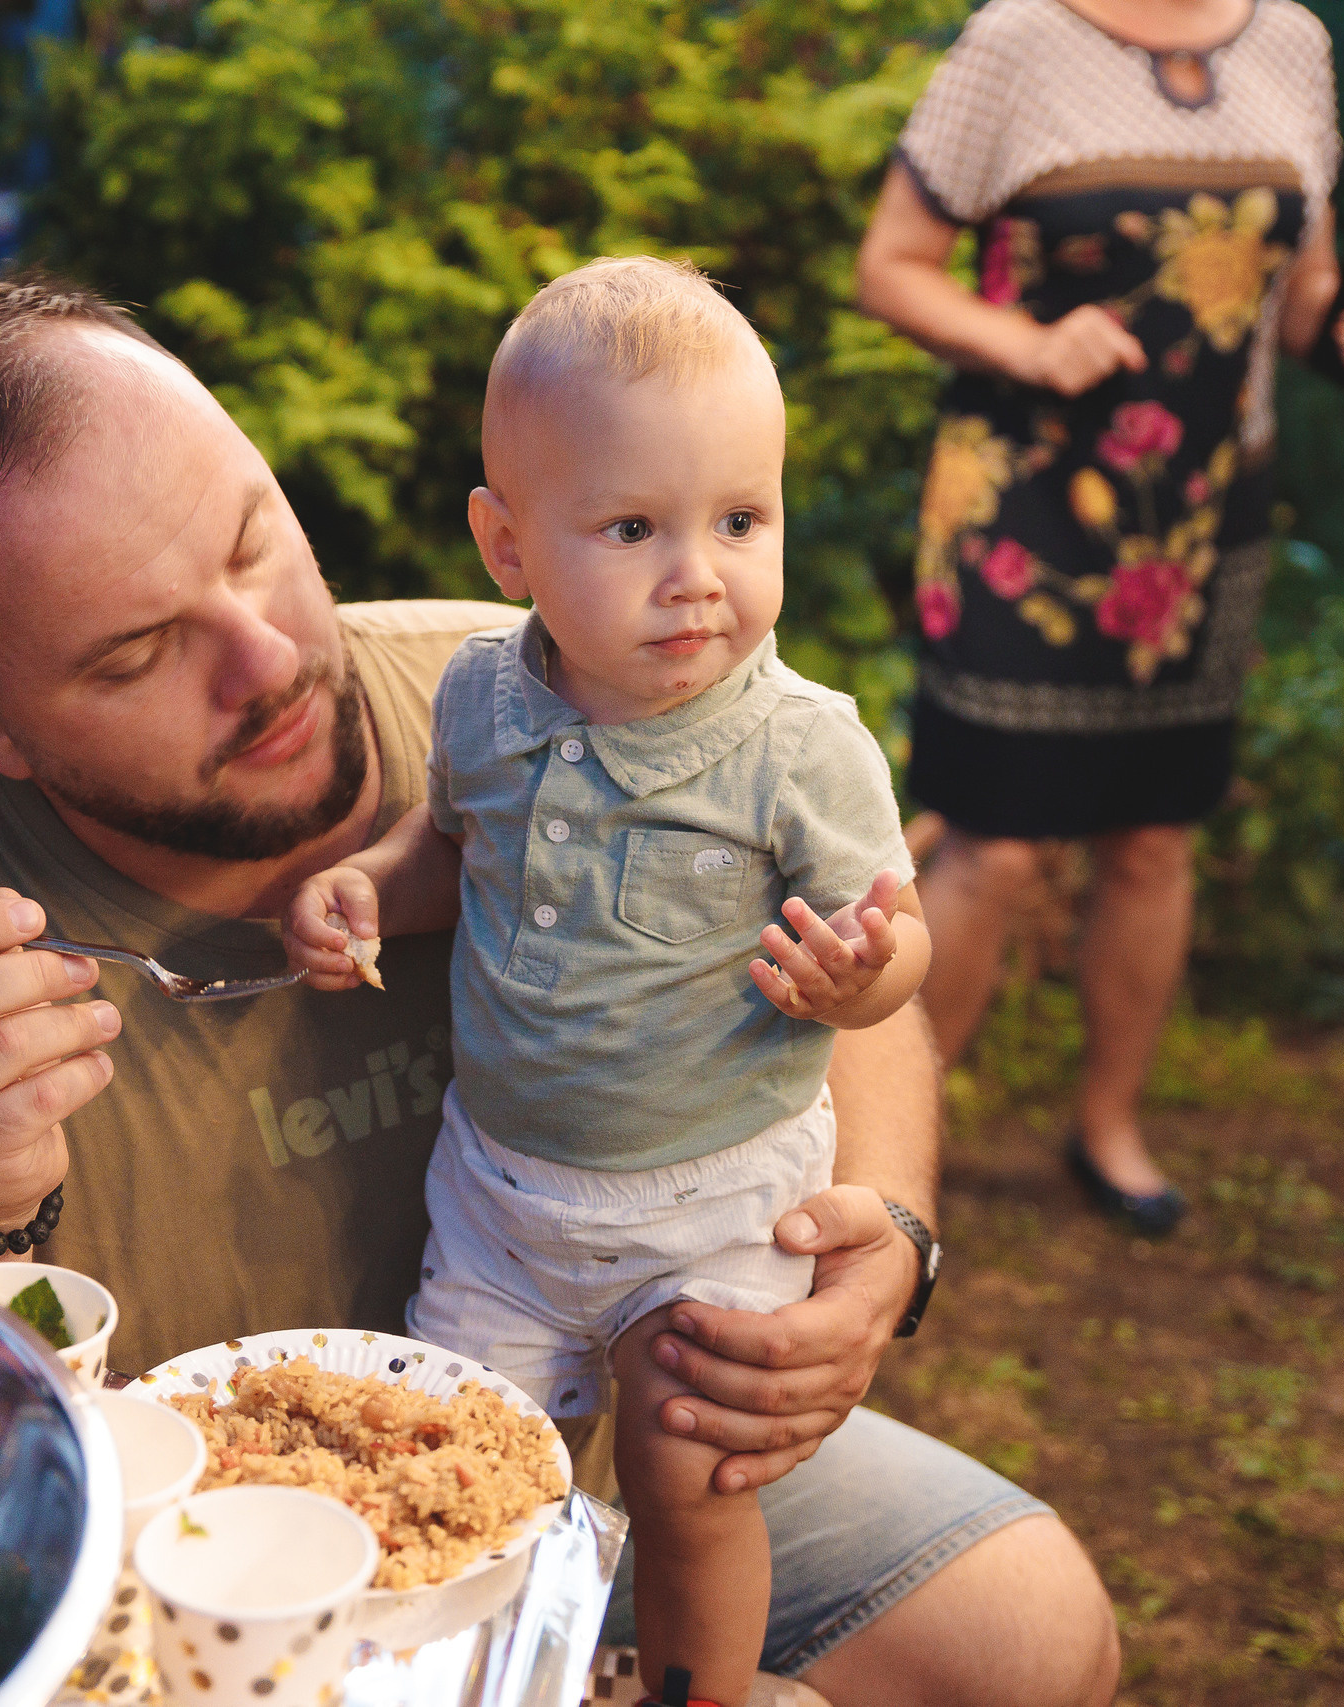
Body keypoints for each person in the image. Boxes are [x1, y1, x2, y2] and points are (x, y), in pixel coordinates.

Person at [0, 276, 1120, 1705]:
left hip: (625, 1412)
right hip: (219, 1579)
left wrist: (886, 1223)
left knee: (1025, 1632)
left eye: (256, 545)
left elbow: (837, 952)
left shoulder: (536, 683)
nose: (265, 661)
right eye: (138, 652)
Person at [278, 259, 930, 1707]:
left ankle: (697, 1689)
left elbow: (900, 940)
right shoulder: (479, 696)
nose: (700, 571)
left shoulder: (799, 746)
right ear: (507, 546)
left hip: (712, 1187)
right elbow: (452, 846)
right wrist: (370, 886)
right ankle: (480, 1681)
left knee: (690, 1459)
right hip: (505, 1194)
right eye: (634, 526)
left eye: (741, 520)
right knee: (461, 1466)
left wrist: (866, 972)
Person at [852, 0, 1344, 1234]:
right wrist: (1021, 339)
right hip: (1021, 513)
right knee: (993, 846)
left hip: (1206, 520)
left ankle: (1107, 1124)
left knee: (1156, 836)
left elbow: (1303, 298)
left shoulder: (1293, 45)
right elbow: (890, 264)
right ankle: (888, 1163)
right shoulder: (1015, 39)